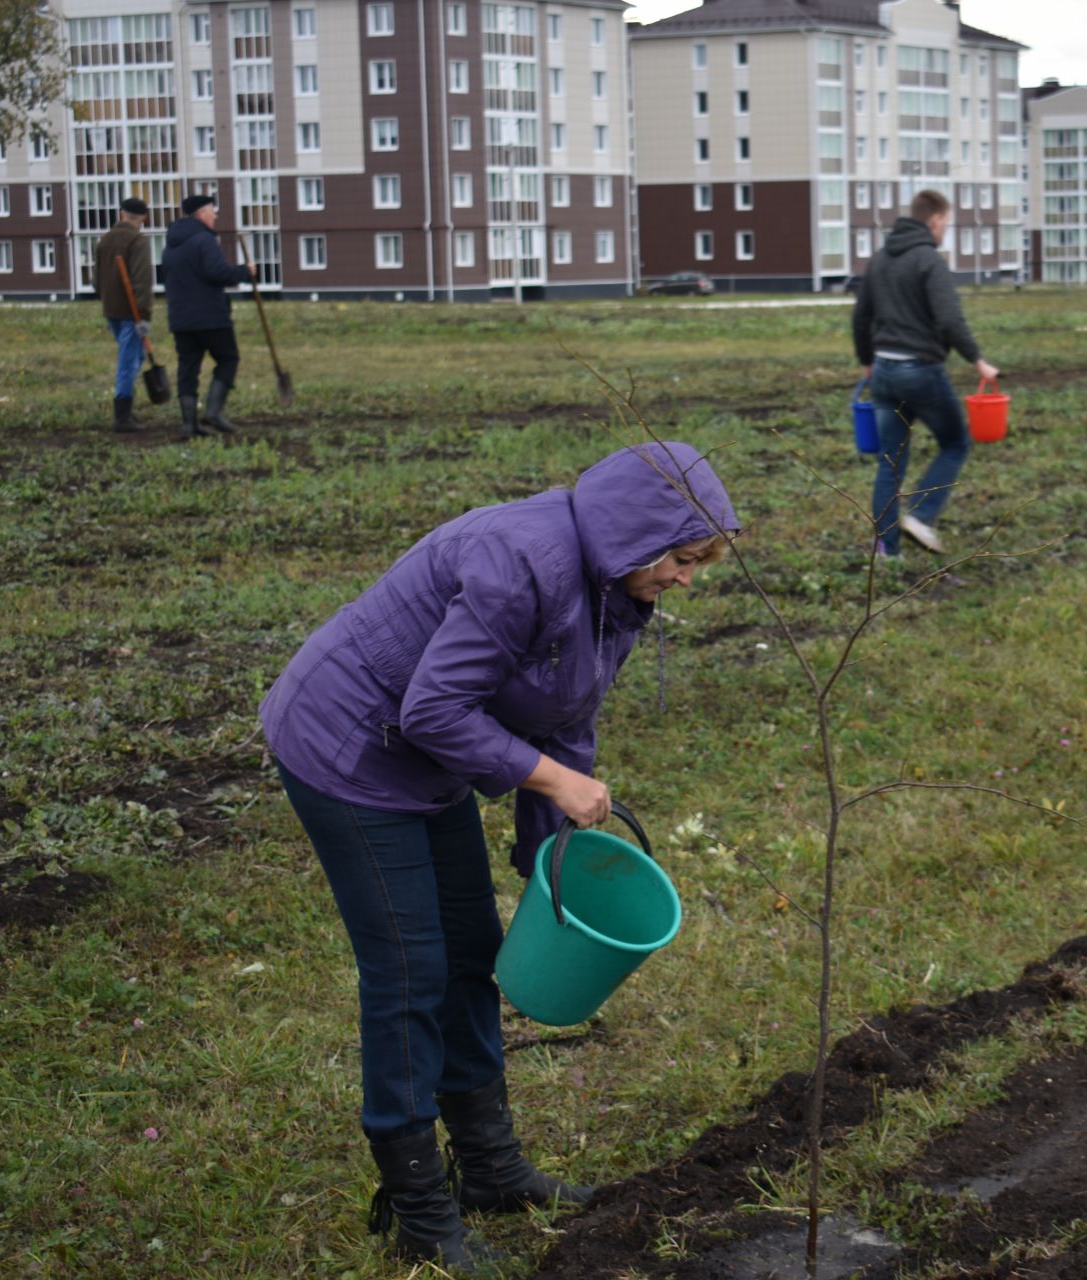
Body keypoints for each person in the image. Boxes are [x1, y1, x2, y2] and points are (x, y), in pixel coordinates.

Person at [258, 443, 738, 1273]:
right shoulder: (525, 560)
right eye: (685, 560)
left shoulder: (611, 590)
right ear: (639, 538)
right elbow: (434, 707)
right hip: (350, 748)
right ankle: (418, 1212)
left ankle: (491, 1168)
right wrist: (554, 779)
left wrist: (549, 854)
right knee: (410, 970)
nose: (689, 579)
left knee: (472, 951)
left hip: (427, 765)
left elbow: (568, 717)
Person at [851, 188, 1000, 557]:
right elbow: (949, 318)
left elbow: (860, 317)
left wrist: (868, 361)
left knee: (890, 462)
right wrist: (977, 360)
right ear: (934, 220)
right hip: (920, 371)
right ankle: (921, 515)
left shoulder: (881, 259)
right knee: (955, 443)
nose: (945, 230)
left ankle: (886, 550)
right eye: (946, 223)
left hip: (884, 371)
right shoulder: (929, 260)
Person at [160, 193, 255, 440]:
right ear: (201, 214)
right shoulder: (204, 240)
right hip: (210, 316)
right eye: (212, 211)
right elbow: (217, 272)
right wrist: (244, 272)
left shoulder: (170, 245)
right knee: (228, 358)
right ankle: (213, 412)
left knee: (187, 368)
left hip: (180, 319)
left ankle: (189, 425)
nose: (215, 215)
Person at [94, 196, 154, 434]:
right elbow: (142, 280)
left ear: (121, 213)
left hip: (112, 311)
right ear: (143, 218)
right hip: (132, 313)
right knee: (128, 361)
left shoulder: (105, 240)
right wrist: (144, 315)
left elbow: (96, 281)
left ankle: (126, 408)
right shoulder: (137, 241)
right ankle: (122, 415)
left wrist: (107, 298)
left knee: (135, 357)